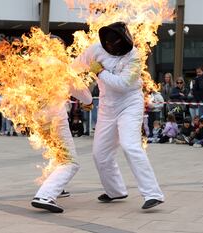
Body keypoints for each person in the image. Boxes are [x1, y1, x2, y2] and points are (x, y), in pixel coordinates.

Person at [72, 22, 165, 209]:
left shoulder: (134, 57)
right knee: (100, 153)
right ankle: (115, 191)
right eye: (109, 44)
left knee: (130, 145)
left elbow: (122, 84)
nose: (112, 47)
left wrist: (100, 71)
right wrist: (82, 94)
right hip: (107, 107)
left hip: (130, 104)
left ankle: (152, 193)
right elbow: (74, 68)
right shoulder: (95, 50)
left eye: (116, 45)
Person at [30, 35, 93, 213]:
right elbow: (82, 92)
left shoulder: (34, 65)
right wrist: (88, 102)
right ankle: (45, 195)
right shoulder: (61, 66)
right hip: (55, 117)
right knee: (70, 162)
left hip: (38, 119)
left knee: (58, 155)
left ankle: (57, 187)